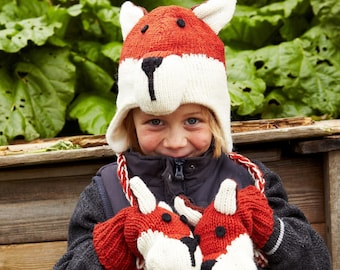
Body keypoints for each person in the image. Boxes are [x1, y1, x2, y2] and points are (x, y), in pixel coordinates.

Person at [54, 0, 331, 269]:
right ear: (129, 122)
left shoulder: (250, 181)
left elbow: (317, 261)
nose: (175, 141)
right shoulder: (107, 190)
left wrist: (264, 224)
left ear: (216, 121)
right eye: (155, 122)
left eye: (193, 120)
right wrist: (120, 235)